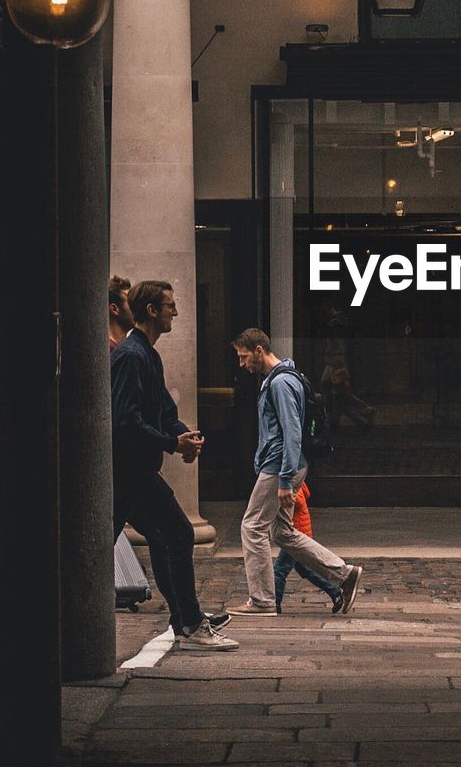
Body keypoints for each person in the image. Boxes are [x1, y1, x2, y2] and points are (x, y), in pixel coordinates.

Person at [111, 280, 237, 652]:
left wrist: (185, 436)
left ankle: (184, 617)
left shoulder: (148, 354)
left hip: (134, 470)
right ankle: (190, 622)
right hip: (129, 471)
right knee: (179, 533)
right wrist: (171, 443)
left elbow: (164, 411)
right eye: (170, 306)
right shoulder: (132, 356)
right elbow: (125, 421)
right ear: (152, 310)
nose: (176, 312)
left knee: (163, 536)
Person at [232, 327, 363, 615]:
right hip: (287, 464)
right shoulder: (286, 378)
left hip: (280, 465)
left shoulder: (279, 384)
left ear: (259, 350)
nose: (242, 364)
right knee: (282, 532)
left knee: (252, 526)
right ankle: (344, 574)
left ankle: (263, 600)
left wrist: (285, 480)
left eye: (244, 357)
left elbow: (291, 432)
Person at [273, 479, 344, 615]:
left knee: (279, 570)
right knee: (305, 569)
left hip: (296, 536)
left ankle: (274, 603)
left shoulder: (291, 485)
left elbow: (294, 502)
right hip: (298, 533)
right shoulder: (293, 483)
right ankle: (335, 592)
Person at [108, 274, 134, 351]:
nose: (137, 306)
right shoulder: (108, 350)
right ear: (114, 309)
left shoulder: (125, 348)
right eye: (131, 301)